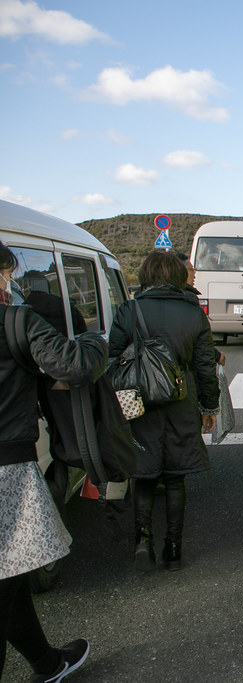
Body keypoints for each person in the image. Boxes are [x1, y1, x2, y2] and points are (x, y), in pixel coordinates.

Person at [1, 240, 106, 681]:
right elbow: (76, 364)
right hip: (5, 467)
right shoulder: (16, 321)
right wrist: (92, 340)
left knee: (10, 575)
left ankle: (46, 662)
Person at [108, 251, 219, 572]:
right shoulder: (193, 313)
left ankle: (142, 539)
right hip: (181, 400)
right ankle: (173, 547)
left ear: (145, 275)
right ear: (175, 276)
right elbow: (205, 366)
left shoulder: (130, 310)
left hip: (138, 403)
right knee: (174, 478)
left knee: (142, 475)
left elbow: (113, 358)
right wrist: (208, 406)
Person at [172, 251, 225, 366]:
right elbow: (200, 343)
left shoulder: (142, 303)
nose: (194, 274)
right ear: (180, 271)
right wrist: (216, 356)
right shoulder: (187, 301)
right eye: (192, 270)